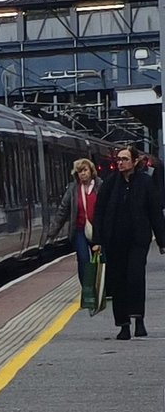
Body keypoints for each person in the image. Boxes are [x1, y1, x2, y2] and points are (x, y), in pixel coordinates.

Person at [91, 146, 165, 340]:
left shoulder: (146, 183)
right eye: (119, 160)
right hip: (114, 241)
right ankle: (123, 324)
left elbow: (155, 213)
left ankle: (139, 319)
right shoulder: (109, 184)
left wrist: (162, 240)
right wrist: (97, 240)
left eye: (124, 159)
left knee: (135, 277)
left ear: (134, 162)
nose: (120, 163)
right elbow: (99, 213)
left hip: (138, 240)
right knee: (118, 282)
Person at [48, 158, 102, 291]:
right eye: (79, 171)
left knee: (102, 259)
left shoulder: (100, 186)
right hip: (79, 230)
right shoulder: (73, 189)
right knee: (83, 258)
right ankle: (87, 289)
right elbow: (63, 210)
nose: (82, 174)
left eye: (85, 170)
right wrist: (52, 233)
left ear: (91, 171)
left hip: (98, 231)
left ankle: (102, 286)